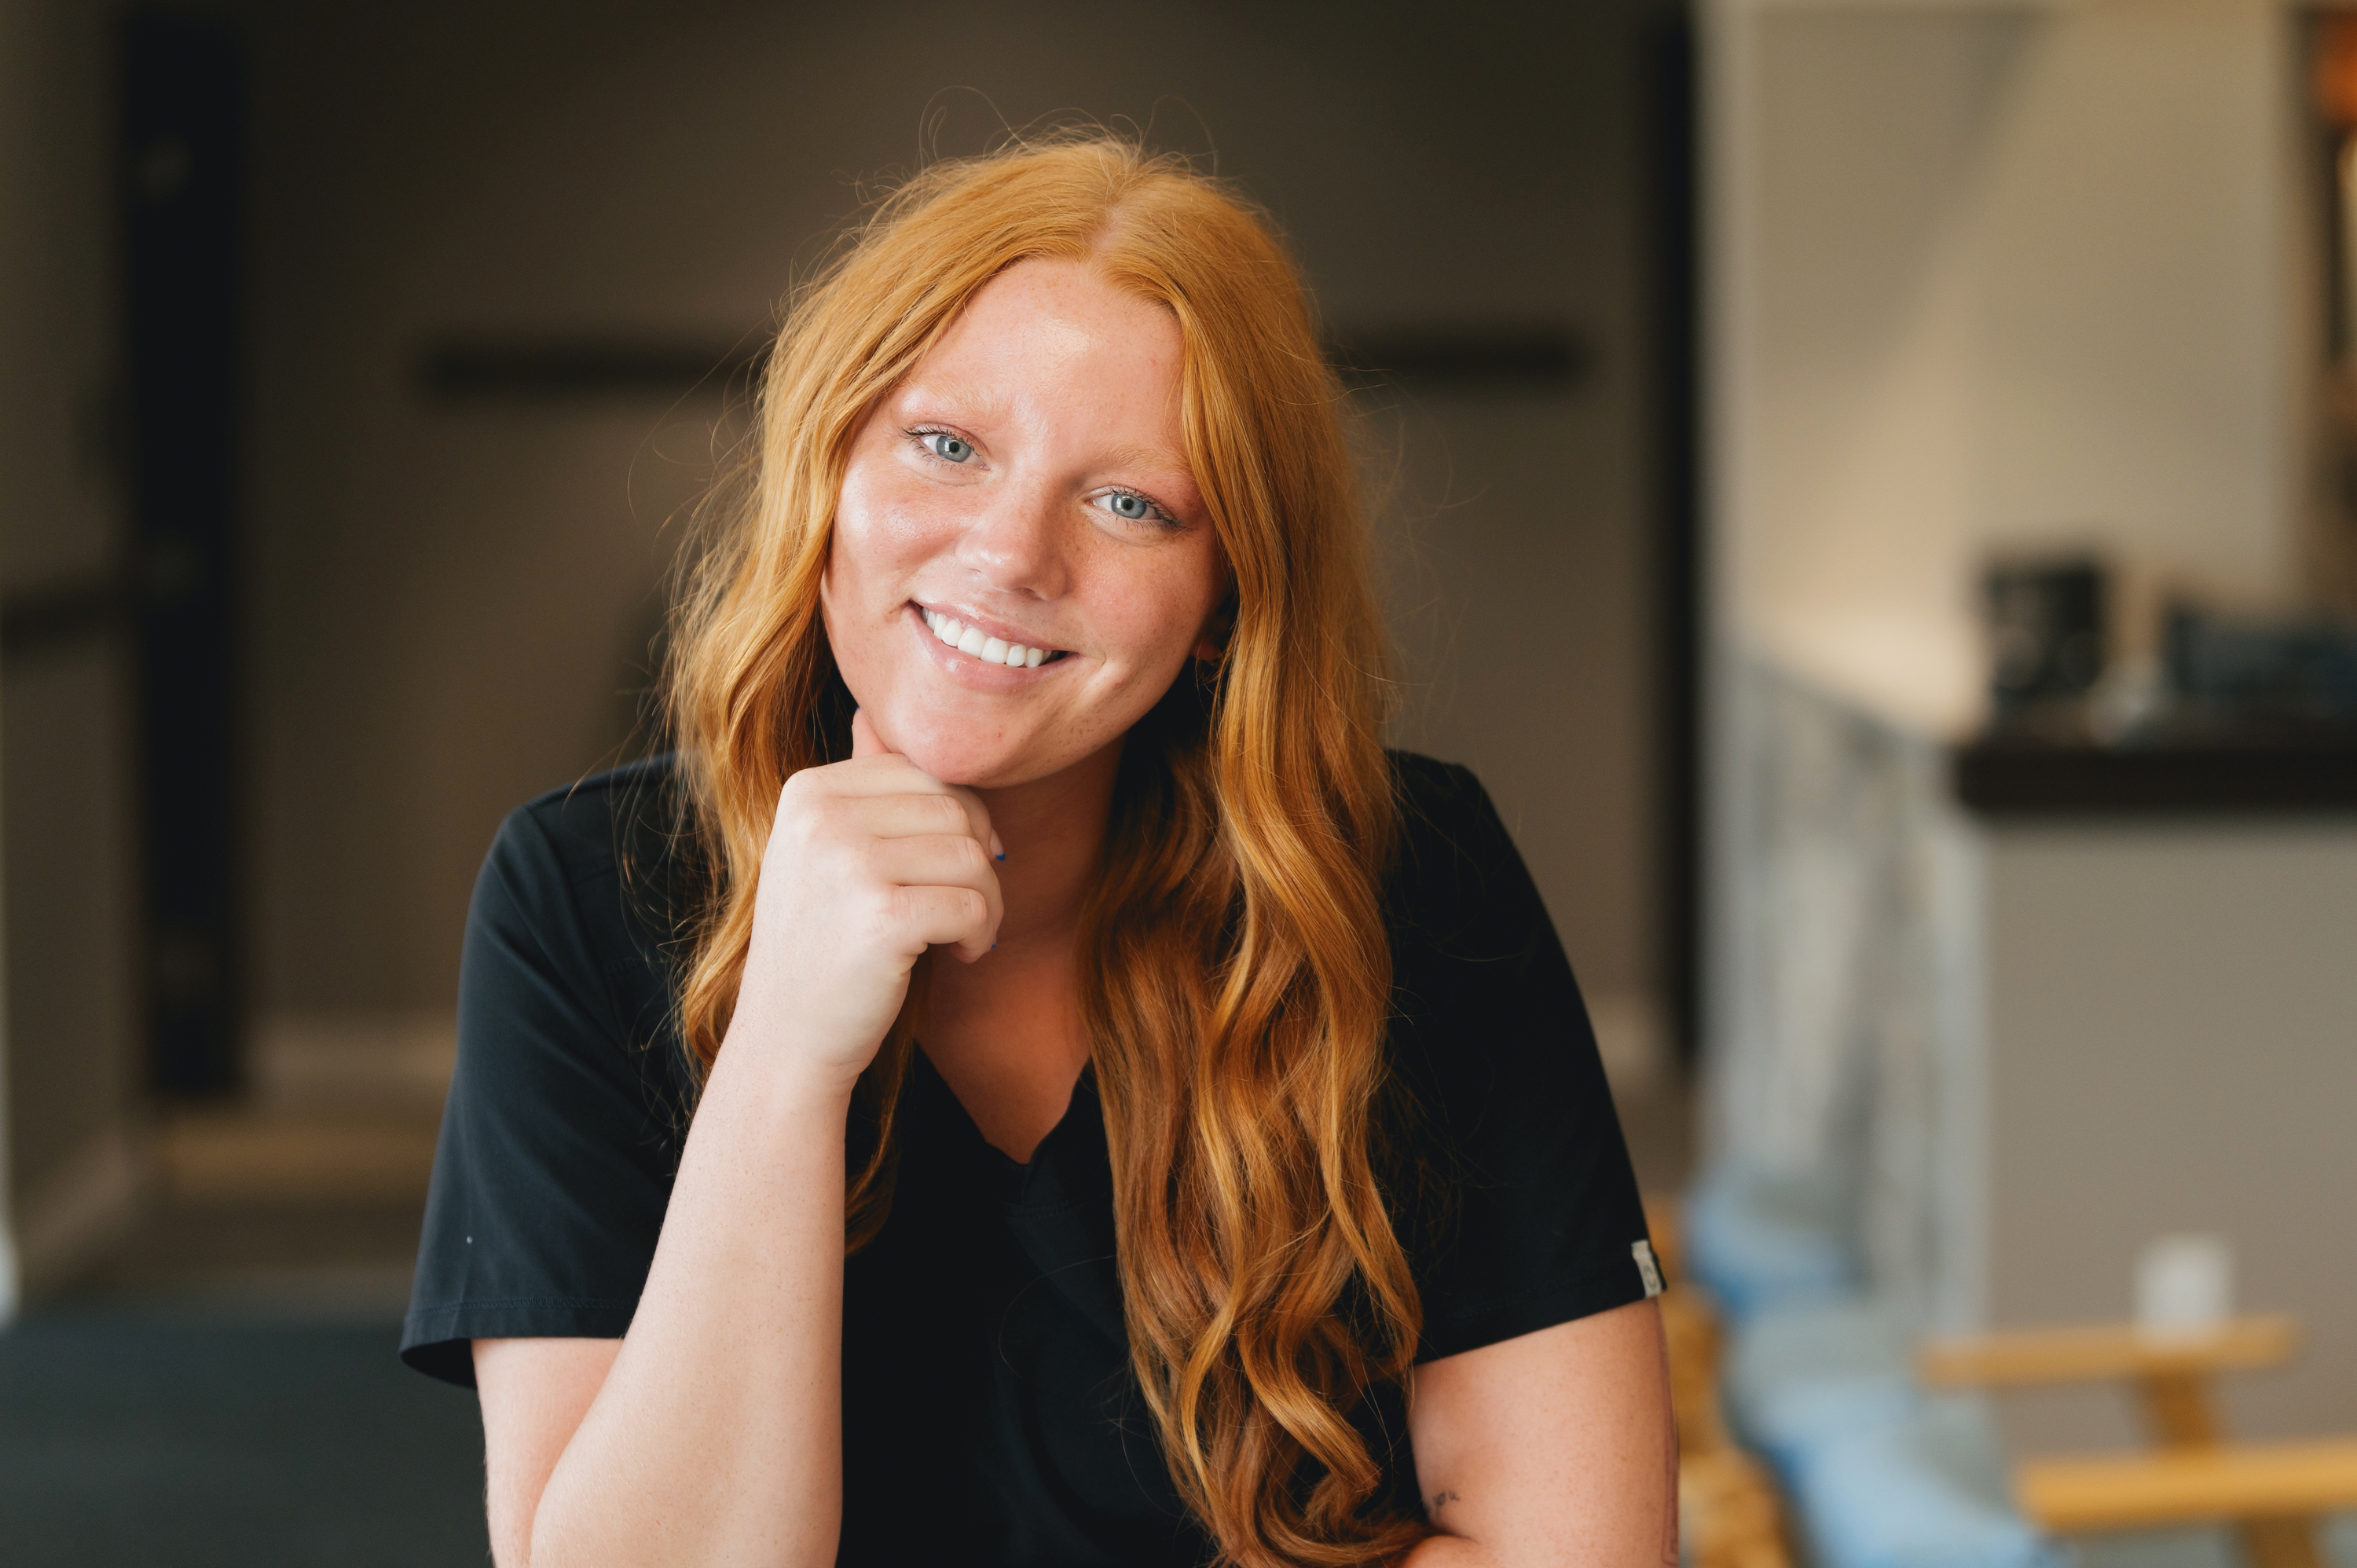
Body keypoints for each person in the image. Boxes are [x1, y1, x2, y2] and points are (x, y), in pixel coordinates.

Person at [401, 134, 1674, 1568]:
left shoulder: (1407, 878)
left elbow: (1580, 1553)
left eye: (1129, 503)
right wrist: (784, 1055)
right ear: (830, 466)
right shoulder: (586, 894)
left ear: (1222, 602)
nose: (1010, 553)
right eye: (946, 446)